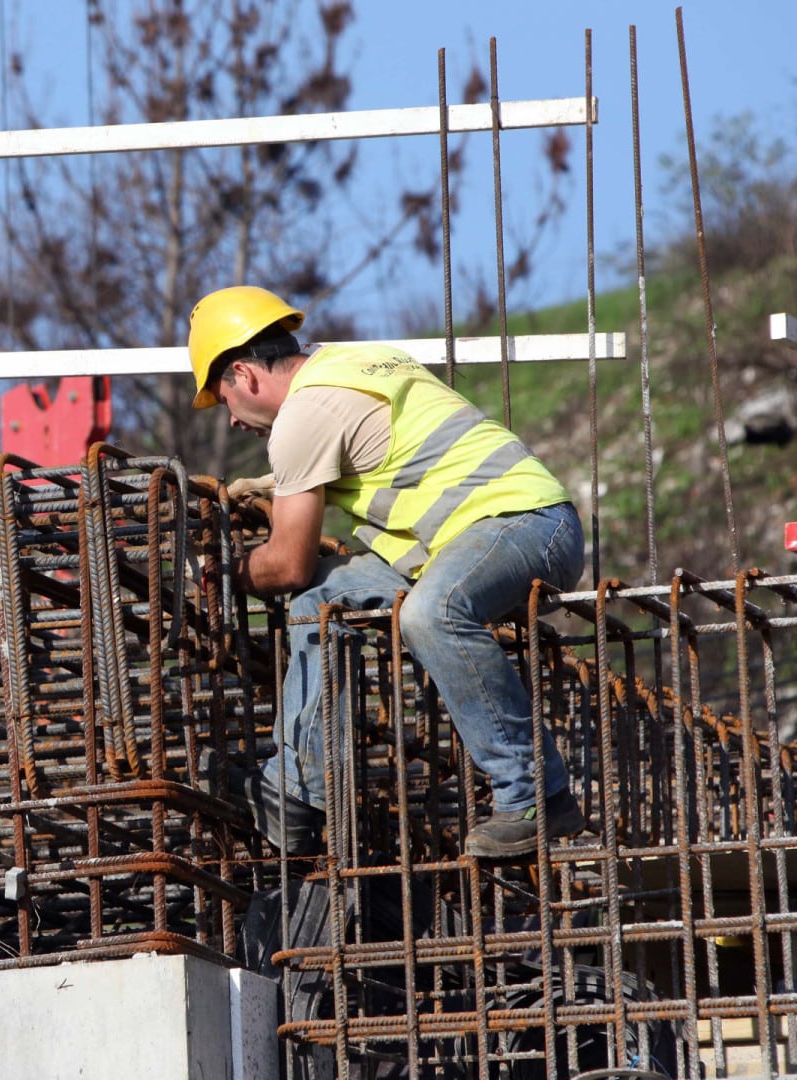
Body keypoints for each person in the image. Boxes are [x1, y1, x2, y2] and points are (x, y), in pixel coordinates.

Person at [189, 286, 587, 859]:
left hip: (526, 523)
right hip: (467, 539)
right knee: (322, 600)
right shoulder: (350, 362)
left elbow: (289, 562)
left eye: (223, 398)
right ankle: (297, 793)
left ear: (245, 375)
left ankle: (535, 796)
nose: (230, 420)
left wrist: (222, 573)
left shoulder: (303, 416)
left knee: (433, 612)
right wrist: (276, 485)